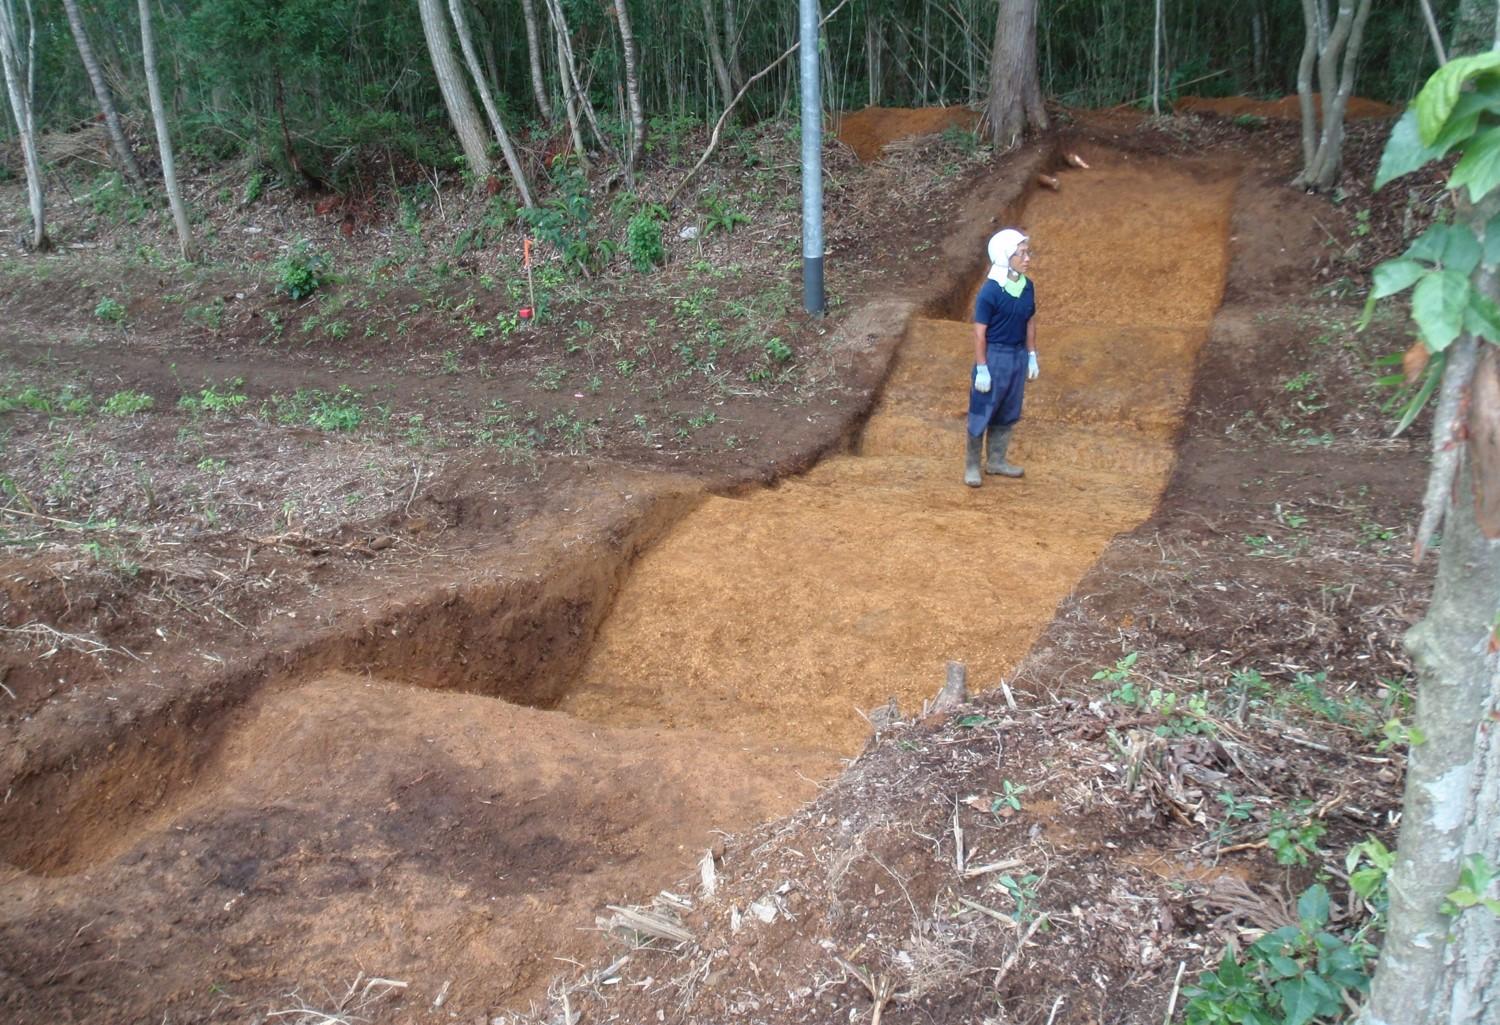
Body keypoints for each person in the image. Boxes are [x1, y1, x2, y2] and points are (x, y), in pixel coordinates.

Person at [966, 228, 1038, 487]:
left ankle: (996, 461)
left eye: (1027, 252)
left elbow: (1029, 321)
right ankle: (972, 465)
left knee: (1009, 408)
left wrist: (1031, 354)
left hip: (1017, 355)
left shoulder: (1027, 287)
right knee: (983, 408)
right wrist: (982, 367)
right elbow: (979, 333)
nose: (1027, 258)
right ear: (1005, 256)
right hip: (994, 355)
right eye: (1021, 253)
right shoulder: (991, 291)